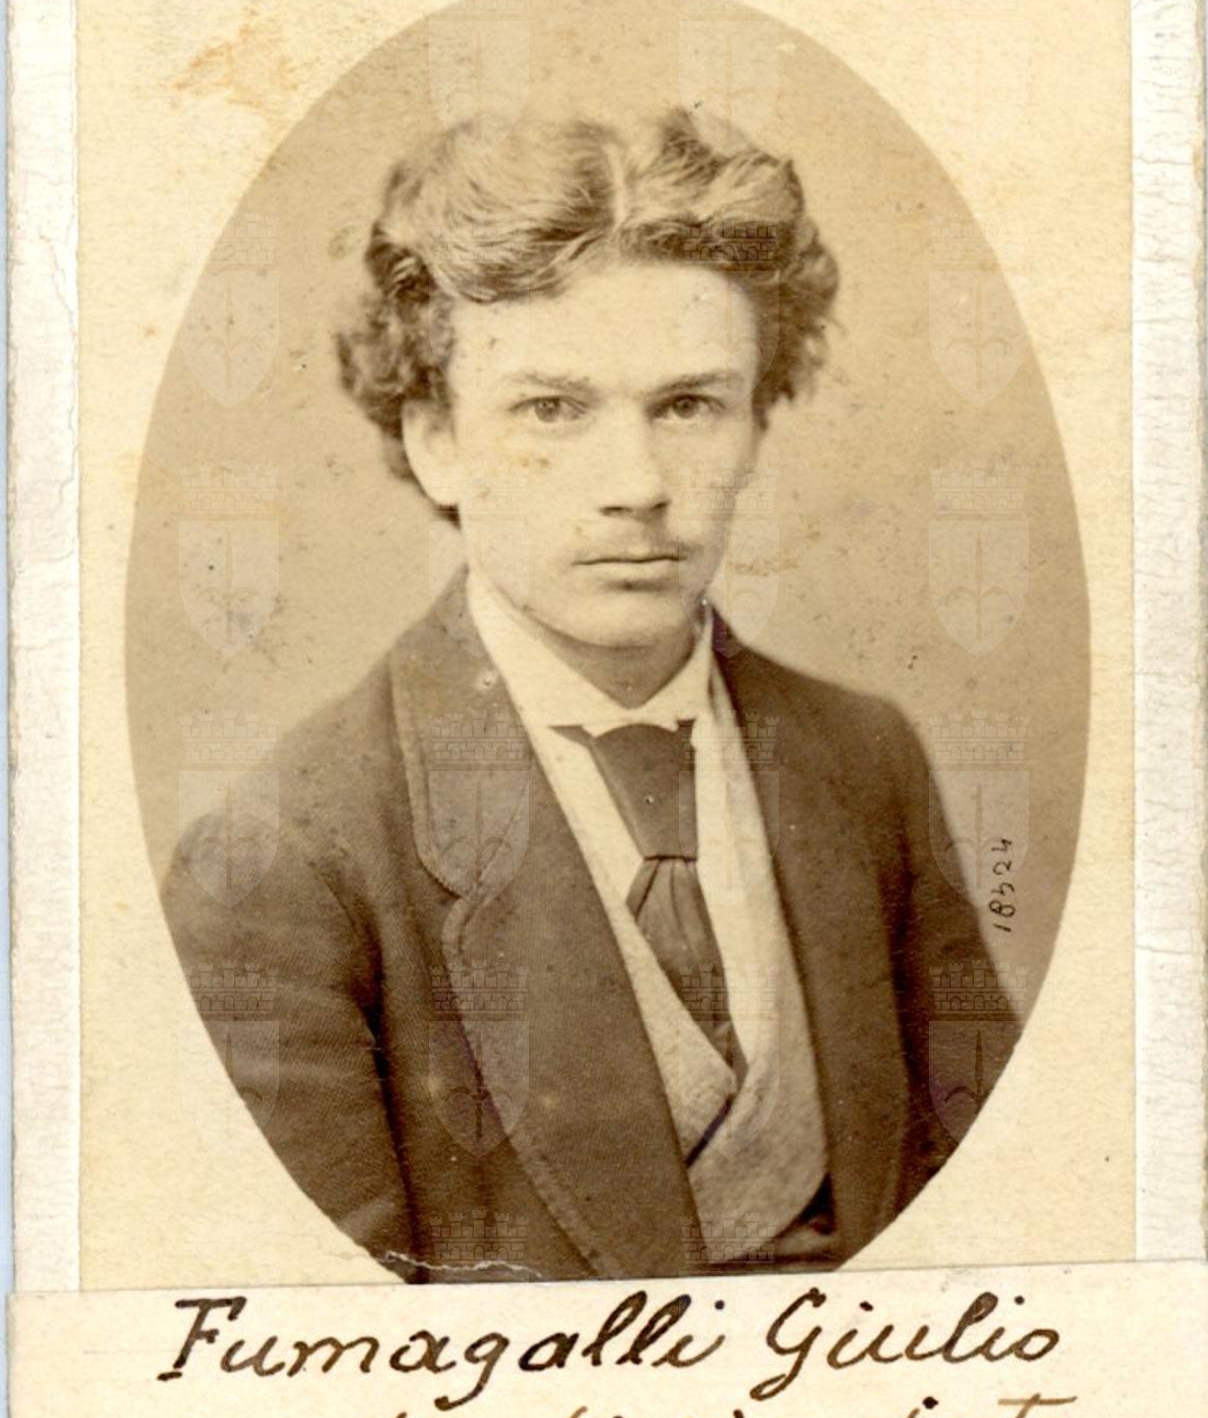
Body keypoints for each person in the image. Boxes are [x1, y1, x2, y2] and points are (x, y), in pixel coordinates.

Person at [162, 108, 1016, 1281]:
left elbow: (998, 1225)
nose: (637, 484)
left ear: (756, 423)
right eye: (551, 409)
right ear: (434, 440)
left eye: (689, 404)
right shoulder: (281, 861)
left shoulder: (863, 757)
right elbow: (332, 1335)